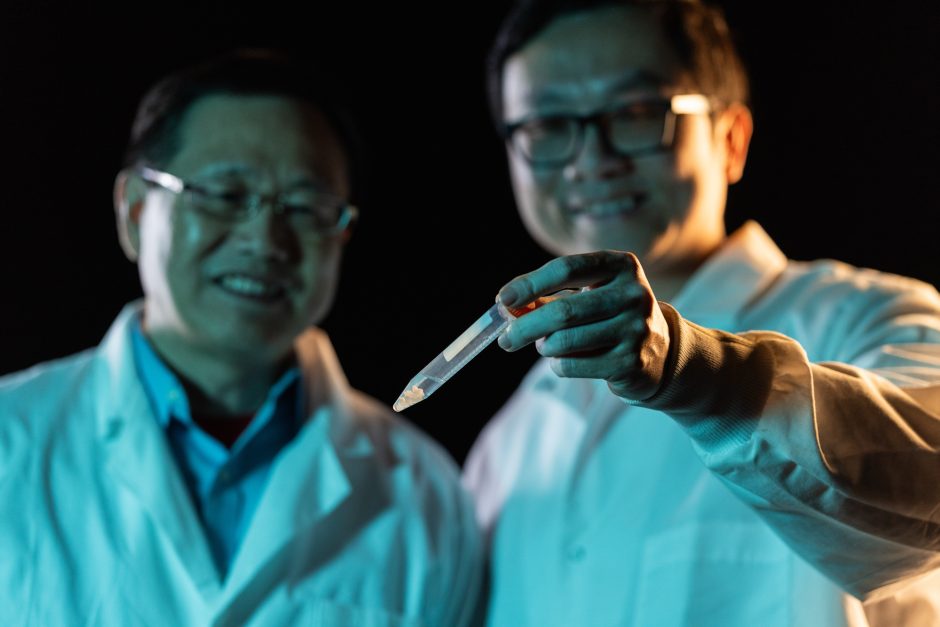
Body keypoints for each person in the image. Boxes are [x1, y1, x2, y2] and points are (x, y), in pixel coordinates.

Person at [462, 1, 940, 625]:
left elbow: (925, 490)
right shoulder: (507, 446)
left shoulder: (872, 317)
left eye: (636, 113)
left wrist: (697, 374)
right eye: (547, 126)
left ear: (732, 138)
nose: (590, 158)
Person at [0, 49, 482, 626]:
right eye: (226, 195)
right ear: (133, 211)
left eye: (305, 206)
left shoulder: (426, 495)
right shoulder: (12, 440)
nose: (265, 239)